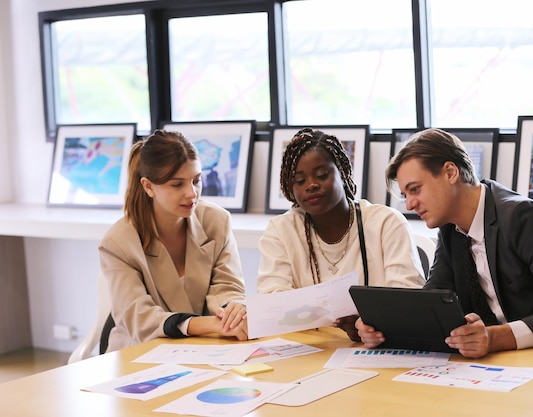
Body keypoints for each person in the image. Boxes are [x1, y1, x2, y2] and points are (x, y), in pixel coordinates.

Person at [356, 128, 533, 358]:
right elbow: (434, 301)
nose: (409, 204)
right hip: (503, 366)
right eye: (405, 195)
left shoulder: (524, 217)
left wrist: (496, 337)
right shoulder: (450, 227)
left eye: (415, 190)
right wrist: (380, 328)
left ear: (450, 172)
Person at [256, 127, 425, 341]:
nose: (311, 185)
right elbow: (272, 304)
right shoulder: (281, 231)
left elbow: (407, 301)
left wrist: (368, 323)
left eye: (322, 175)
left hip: (379, 348)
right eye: (300, 181)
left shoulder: (386, 223)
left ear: (343, 173)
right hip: (310, 351)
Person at [99, 129, 248, 352]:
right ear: (148, 186)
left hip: (206, 348)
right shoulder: (118, 243)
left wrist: (231, 314)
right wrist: (208, 324)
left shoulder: (217, 221)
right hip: (140, 353)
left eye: (196, 181)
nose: (192, 193)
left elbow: (228, 287)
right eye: (177, 185)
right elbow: (140, 318)